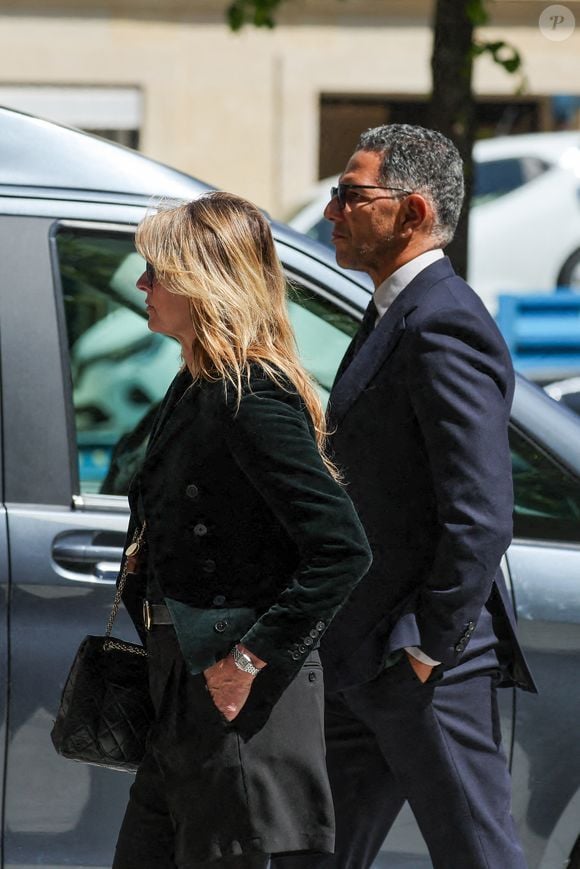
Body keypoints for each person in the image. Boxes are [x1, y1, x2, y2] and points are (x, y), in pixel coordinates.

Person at [273, 125, 536, 869]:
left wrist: (425, 648)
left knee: (480, 854)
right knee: (310, 850)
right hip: (362, 656)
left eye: (351, 195)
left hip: (421, 669)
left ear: (412, 210)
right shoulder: (393, 308)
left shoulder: (442, 320)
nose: (331, 211)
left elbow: (481, 514)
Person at [112, 191, 372, 869]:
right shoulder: (198, 383)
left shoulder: (251, 394)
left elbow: (341, 548)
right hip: (186, 692)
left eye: (156, 272)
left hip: (241, 701)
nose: (142, 284)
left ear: (204, 282)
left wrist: (248, 661)